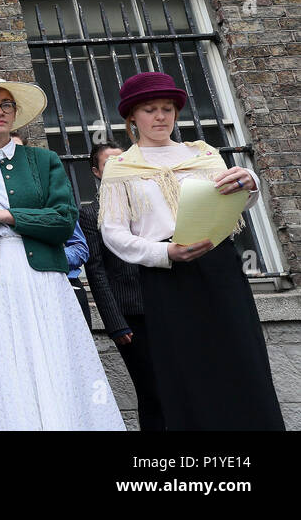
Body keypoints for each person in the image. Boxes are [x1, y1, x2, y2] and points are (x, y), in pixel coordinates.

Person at [98, 71, 283, 430]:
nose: (160, 116)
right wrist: (163, 254)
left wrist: (251, 181)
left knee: (241, 358)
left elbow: (237, 201)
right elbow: (114, 234)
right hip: (167, 273)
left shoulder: (203, 153)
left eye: (167, 108)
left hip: (219, 267)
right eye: (150, 109)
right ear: (132, 117)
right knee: (187, 368)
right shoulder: (121, 168)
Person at [0, 74, 124, 430]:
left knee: (55, 355)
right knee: (2, 359)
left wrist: (3, 215)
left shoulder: (44, 161)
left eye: (6, 105)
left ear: (15, 112)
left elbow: (63, 221)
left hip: (44, 274)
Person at [80, 140, 164, 431]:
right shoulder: (91, 214)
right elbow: (96, 271)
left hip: (166, 306)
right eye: (110, 164)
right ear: (97, 172)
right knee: (151, 390)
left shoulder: (149, 203)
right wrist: (115, 323)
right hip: (130, 315)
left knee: (179, 384)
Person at [13, 132, 91, 325]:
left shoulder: (50, 193)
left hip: (64, 284)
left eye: (17, 151)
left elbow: (80, 248)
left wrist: (47, 258)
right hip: (18, 290)